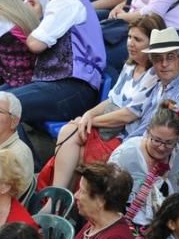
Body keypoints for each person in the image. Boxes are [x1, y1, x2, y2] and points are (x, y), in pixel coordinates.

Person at [50, 15, 163, 190]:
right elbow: (112, 99)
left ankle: (59, 200)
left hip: (123, 137)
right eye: (129, 37)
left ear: (152, 44)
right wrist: (88, 115)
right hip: (107, 127)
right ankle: (58, 199)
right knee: (68, 133)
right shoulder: (130, 66)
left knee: (75, 154)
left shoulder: (154, 74)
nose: (130, 43)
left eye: (138, 39)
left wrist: (89, 121)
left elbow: (129, 114)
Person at [2, 0, 105, 129]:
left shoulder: (66, 3)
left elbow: (35, 44)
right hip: (78, 90)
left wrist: (34, 24)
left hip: (70, 87)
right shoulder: (84, 5)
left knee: (3, 106)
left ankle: (19, 155)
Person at [110, 101, 179, 233]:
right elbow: (106, 197)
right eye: (157, 140)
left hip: (164, 227)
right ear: (147, 133)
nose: (162, 147)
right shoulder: (126, 154)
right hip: (123, 224)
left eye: (169, 143)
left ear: (177, 139)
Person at [127, 27, 179, 137]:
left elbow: (167, 131)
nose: (164, 64)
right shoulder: (162, 83)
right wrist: (128, 142)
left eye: (170, 57)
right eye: (158, 58)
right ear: (152, 61)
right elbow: (146, 122)